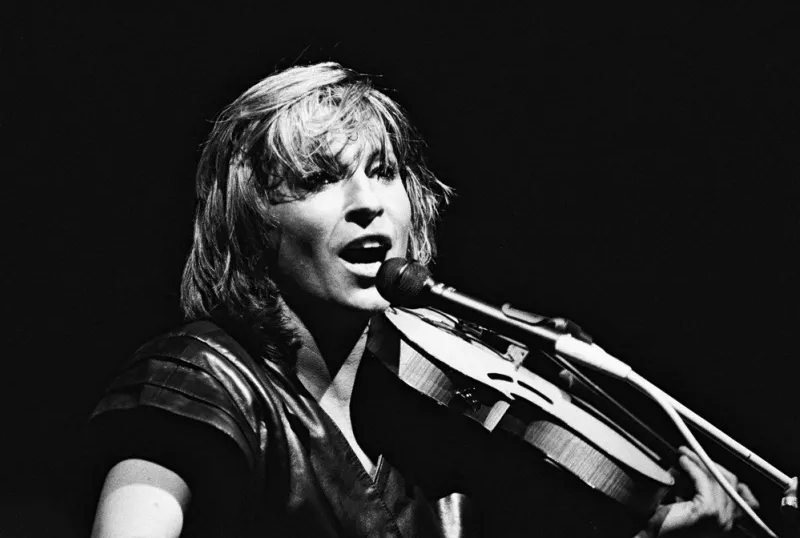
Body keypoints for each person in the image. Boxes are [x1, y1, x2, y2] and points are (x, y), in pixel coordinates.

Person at [88, 62, 758, 538]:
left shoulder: (423, 433)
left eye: (383, 173)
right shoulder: (203, 379)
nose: (367, 204)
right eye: (320, 180)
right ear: (251, 221)